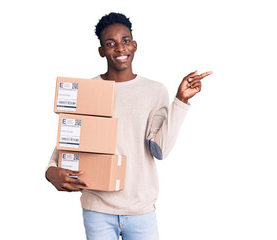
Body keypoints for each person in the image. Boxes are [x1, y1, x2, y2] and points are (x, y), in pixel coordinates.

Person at [45, 12, 212, 240]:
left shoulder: (155, 91)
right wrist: (51, 170)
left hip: (140, 210)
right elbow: (70, 138)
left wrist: (181, 101)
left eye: (125, 41)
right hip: (97, 208)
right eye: (110, 43)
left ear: (134, 45)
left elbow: (159, 149)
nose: (120, 49)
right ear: (101, 51)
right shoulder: (88, 90)